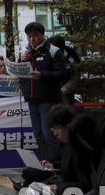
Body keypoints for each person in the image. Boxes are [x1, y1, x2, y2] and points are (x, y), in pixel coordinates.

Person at [19, 21, 70, 162]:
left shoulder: (53, 51)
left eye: (35, 36)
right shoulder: (25, 53)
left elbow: (62, 74)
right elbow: (22, 74)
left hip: (48, 99)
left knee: (49, 135)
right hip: (31, 99)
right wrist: (20, 62)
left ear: (42, 35)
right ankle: (46, 164)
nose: (32, 39)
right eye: (29, 36)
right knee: (38, 135)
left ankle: (56, 165)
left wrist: (43, 75)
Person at [48, 35, 81, 105]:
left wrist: (64, 90)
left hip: (67, 91)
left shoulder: (70, 53)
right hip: (51, 92)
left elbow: (76, 76)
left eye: (54, 47)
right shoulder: (47, 53)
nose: (52, 49)